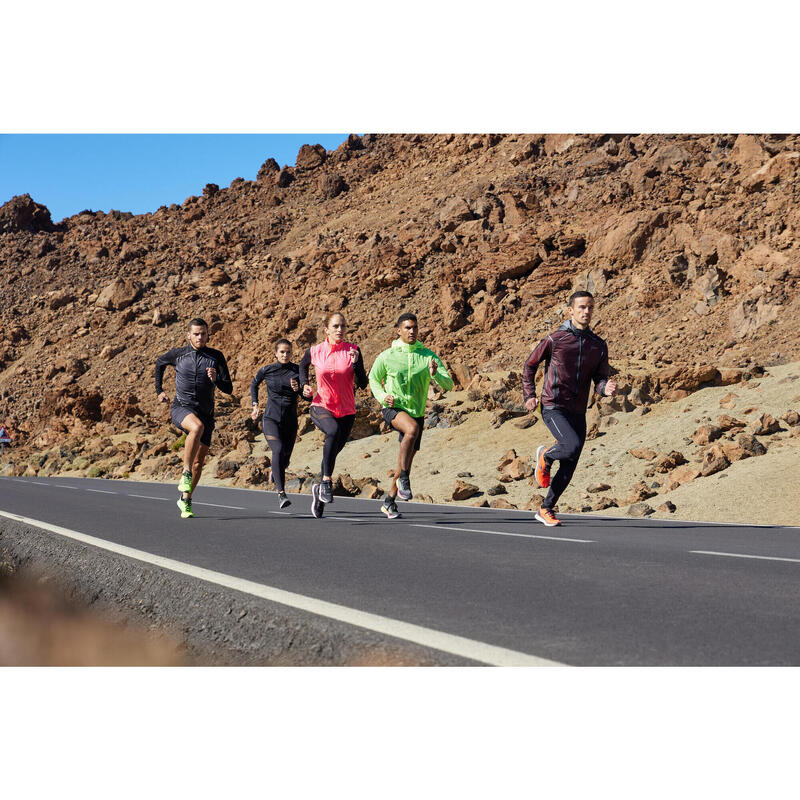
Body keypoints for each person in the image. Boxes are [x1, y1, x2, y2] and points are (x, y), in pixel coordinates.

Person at [522, 291, 618, 527]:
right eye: (582, 307)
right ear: (570, 311)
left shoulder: (598, 345)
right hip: (554, 406)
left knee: (572, 460)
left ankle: (546, 508)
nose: (586, 312)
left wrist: (605, 388)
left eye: (590, 307)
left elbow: (600, 379)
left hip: (578, 410)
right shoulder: (555, 339)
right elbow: (529, 365)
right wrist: (530, 395)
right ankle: (546, 455)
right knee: (571, 446)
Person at [368, 312, 453, 519]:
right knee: (411, 430)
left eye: (414, 327)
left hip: (416, 412)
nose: (412, 331)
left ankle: (389, 501)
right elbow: (373, 378)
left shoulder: (427, 356)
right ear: (398, 330)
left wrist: (435, 374)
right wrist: (383, 396)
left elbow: (448, 385)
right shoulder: (387, 355)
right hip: (393, 408)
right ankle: (404, 477)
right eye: (407, 328)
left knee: (405, 459)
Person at [154, 317, 233, 518]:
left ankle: (185, 500)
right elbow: (159, 364)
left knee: (200, 461)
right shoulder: (179, 355)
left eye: (203, 334)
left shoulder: (216, 357)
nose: (200, 337)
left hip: (207, 413)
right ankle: (185, 473)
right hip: (182, 407)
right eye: (196, 334)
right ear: (188, 335)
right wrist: (159, 390)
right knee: (196, 428)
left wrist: (216, 380)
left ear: (208, 335)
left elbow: (228, 388)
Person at [299, 312, 368, 518]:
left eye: (343, 326)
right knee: (332, 431)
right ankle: (327, 481)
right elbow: (302, 367)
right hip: (321, 406)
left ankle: (319, 491)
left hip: (347, 411)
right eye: (336, 326)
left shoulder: (353, 351)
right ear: (326, 329)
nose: (340, 330)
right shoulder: (315, 351)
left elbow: (363, 383)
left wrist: (356, 364)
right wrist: (304, 385)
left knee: (332, 452)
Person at [250, 338, 303, 509]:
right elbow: (254, 384)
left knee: (284, 461)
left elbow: (306, 394)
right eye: (282, 352)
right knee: (277, 450)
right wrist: (255, 404)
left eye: (288, 352)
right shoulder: (267, 370)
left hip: (290, 422)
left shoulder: (298, 370)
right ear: (276, 353)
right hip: (271, 419)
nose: (285, 355)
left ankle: (276, 470)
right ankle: (281, 493)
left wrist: (299, 389)